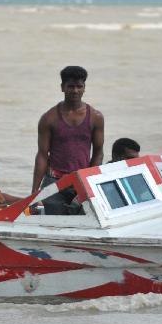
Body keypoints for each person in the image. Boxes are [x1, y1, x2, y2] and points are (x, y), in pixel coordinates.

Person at [32, 65, 104, 214]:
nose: (75, 91)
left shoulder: (96, 117)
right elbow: (42, 155)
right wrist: (34, 192)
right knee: (55, 226)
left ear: (84, 87)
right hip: (54, 183)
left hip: (82, 182)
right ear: (62, 87)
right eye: (71, 86)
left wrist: (89, 181)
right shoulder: (49, 118)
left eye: (79, 86)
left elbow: (98, 153)